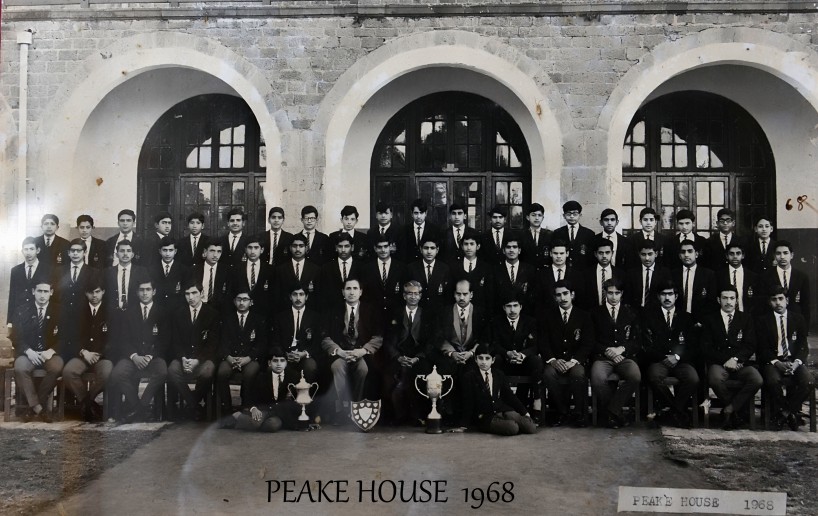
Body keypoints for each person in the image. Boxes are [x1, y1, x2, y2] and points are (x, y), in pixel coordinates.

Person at [700, 285, 762, 430]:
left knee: (756, 379)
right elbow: (706, 347)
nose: (728, 302)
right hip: (718, 364)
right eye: (725, 298)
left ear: (736, 300)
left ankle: (729, 409)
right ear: (718, 300)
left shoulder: (745, 318)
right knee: (715, 379)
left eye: (732, 298)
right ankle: (736, 411)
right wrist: (726, 360)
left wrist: (736, 359)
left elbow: (750, 345)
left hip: (740, 364)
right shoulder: (710, 319)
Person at [321, 278, 383, 419]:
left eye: (355, 288)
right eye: (348, 289)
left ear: (360, 292)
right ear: (343, 292)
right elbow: (325, 337)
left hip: (360, 353)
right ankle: (342, 407)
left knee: (363, 369)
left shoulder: (370, 310)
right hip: (341, 353)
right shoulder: (333, 310)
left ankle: (356, 406)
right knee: (337, 367)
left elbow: (378, 337)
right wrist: (339, 351)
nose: (352, 292)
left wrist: (362, 351)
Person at [108, 279, 168, 423]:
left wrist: (150, 356)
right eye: (141, 290)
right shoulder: (129, 312)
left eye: (148, 289)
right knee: (117, 373)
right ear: (136, 292)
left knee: (162, 371)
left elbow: (165, 340)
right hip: (132, 357)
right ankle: (139, 408)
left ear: (154, 291)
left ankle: (140, 407)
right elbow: (123, 339)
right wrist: (134, 356)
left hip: (153, 357)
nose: (145, 293)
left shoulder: (162, 312)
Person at [640, 281, 699, 428]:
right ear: (658, 296)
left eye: (670, 294)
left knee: (693, 378)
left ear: (676, 296)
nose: (667, 298)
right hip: (659, 360)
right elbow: (645, 345)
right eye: (663, 294)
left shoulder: (686, 317)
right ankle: (678, 412)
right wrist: (663, 358)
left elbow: (693, 345)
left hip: (681, 361)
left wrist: (677, 357)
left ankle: (672, 412)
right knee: (654, 376)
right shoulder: (649, 317)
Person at [384, 281, 439, 424]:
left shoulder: (427, 315)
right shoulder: (395, 313)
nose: (413, 297)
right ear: (404, 296)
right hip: (399, 356)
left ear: (420, 296)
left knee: (420, 375)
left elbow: (431, 342)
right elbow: (388, 340)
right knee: (391, 377)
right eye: (410, 293)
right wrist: (398, 357)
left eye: (416, 294)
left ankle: (416, 415)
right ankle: (398, 416)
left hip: (419, 357)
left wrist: (417, 358)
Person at [540, 280, 593, 427]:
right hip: (555, 360)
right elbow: (543, 342)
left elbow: (588, 343)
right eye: (559, 295)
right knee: (548, 374)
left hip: (574, 361)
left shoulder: (584, 316)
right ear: (554, 297)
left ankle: (579, 413)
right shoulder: (547, 316)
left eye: (565, 293)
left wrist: (573, 361)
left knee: (578, 374)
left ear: (572, 295)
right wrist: (553, 360)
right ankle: (561, 412)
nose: (563, 298)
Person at [589, 278, 640, 428]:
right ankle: (617, 414)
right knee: (597, 378)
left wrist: (622, 349)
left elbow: (636, 340)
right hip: (602, 358)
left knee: (635, 376)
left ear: (622, 293)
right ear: (605, 293)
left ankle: (611, 412)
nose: (613, 296)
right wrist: (606, 350)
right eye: (610, 293)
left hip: (624, 357)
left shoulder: (630, 313)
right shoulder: (595, 313)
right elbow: (590, 340)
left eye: (617, 293)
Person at [759, 286, 812, 431]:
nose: (778, 303)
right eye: (774, 299)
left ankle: (784, 413)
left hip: (793, 361)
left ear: (787, 300)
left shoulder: (798, 319)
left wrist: (796, 363)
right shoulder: (763, 321)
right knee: (773, 381)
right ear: (769, 302)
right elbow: (762, 348)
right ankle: (790, 414)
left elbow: (803, 346)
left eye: (781, 299)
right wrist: (777, 363)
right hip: (773, 361)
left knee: (808, 381)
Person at [10, 280, 63, 422]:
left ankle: (33, 406)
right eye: (39, 291)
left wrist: (51, 350)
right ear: (33, 291)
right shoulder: (22, 310)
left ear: (51, 293)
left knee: (57, 366)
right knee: (20, 367)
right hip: (28, 353)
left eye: (46, 291)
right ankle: (39, 408)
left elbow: (66, 337)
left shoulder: (59, 311)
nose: (42, 295)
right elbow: (15, 337)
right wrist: (28, 351)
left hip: (49, 354)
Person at [166, 281, 221, 420]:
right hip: (184, 358)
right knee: (172, 370)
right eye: (187, 294)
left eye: (194, 293)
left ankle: (191, 404)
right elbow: (175, 342)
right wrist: (183, 358)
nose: (190, 297)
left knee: (208, 371)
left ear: (201, 294)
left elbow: (212, 344)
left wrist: (197, 360)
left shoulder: (212, 314)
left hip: (203, 358)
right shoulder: (178, 314)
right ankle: (194, 405)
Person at [60, 278, 112, 422]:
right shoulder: (77, 311)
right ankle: (91, 405)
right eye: (90, 292)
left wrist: (99, 353)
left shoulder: (111, 311)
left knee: (107, 373)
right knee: (68, 372)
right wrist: (84, 352)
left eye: (97, 292)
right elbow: (70, 337)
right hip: (82, 355)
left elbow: (114, 339)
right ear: (85, 293)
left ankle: (86, 404)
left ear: (103, 292)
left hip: (102, 357)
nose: (94, 295)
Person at [457, 342, 537, 436]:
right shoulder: (470, 376)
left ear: (493, 360)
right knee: (513, 428)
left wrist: (524, 412)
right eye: (480, 358)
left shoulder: (499, 374)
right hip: (485, 416)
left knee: (530, 427)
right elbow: (468, 402)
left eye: (487, 358)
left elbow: (509, 396)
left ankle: (510, 422)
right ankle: (509, 424)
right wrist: (463, 425)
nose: (484, 362)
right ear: (476, 359)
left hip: (502, 410)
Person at [491, 290, 542, 419]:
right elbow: (494, 344)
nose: (512, 310)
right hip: (505, 363)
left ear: (521, 307)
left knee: (536, 361)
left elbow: (535, 346)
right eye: (509, 306)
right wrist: (507, 353)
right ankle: (496, 403)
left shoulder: (530, 322)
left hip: (524, 363)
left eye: (515, 306)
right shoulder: (496, 322)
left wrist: (522, 355)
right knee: (496, 359)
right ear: (504, 308)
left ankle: (537, 401)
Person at [224, 347, 302, 432]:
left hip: (279, 413)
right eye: (275, 361)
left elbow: (297, 398)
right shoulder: (262, 377)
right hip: (265, 409)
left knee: (273, 425)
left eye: (282, 361)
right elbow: (251, 395)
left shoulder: (293, 377)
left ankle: (245, 420)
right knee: (256, 422)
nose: (279, 364)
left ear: (286, 363)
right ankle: (241, 418)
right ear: (269, 363)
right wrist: (254, 408)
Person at [216, 289, 266, 415]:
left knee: (250, 373)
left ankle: (246, 406)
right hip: (231, 358)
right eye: (239, 299)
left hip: (250, 359)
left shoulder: (258, 319)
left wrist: (248, 358)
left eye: (245, 299)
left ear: (251, 302)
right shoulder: (227, 319)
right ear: (234, 302)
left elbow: (261, 344)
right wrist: (229, 358)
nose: (242, 302)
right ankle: (227, 409)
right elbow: (222, 342)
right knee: (222, 372)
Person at [271, 284, 320, 384]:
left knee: (310, 366)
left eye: (301, 294)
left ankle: (306, 393)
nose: (298, 298)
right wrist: (285, 354)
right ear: (290, 297)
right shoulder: (280, 317)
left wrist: (304, 353)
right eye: (295, 294)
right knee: (275, 366)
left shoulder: (315, 317)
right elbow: (275, 340)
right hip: (285, 355)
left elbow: (317, 342)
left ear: (306, 297)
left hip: (305, 355)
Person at [761, 241, 810, 326]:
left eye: (785, 253)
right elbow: (763, 304)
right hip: (773, 322)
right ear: (774, 256)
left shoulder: (802, 277)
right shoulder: (765, 276)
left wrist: (805, 327)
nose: (782, 257)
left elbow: (805, 305)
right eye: (778, 253)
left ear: (792, 255)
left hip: (795, 322)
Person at [362, 233, 407, 320]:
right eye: (379, 247)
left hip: (395, 315)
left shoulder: (401, 267)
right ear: (375, 248)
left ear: (390, 247)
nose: (383, 250)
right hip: (373, 315)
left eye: (386, 246)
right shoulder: (367, 269)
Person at [274, 234, 321, 312]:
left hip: (309, 311)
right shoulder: (280, 269)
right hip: (286, 311)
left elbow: (318, 295)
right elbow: (277, 295)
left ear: (306, 248)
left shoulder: (315, 269)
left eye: (301, 246)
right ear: (290, 248)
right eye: (294, 246)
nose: (298, 249)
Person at [673, 239, 716, 322]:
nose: (686, 255)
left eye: (690, 251)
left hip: (701, 322)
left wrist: (702, 321)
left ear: (696, 254)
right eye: (683, 252)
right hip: (678, 321)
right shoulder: (673, 274)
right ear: (679, 256)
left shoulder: (708, 275)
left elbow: (712, 301)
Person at [229, 235, 274, 315]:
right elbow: (232, 291)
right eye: (250, 248)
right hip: (242, 311)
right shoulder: (236, 269)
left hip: (264, 311)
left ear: (262, 250)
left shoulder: (270, 269)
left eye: (256, 248)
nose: (252, 251)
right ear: (245, 250)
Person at [8, 237, 49, 323]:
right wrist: (10, 321)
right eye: (26, 249)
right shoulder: (15, 270)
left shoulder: (47, 269)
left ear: (38, 250)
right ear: (22, 251)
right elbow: (12, 297)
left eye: (31, 249)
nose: (28, 252)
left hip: (38, 317)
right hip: (20, 317)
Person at [320, 233, 364, 311]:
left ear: (352, 247)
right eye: (340, 246)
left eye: (346, 246)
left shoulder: (362, 267)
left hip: (356, 310)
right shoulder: (326, 268)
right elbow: (323, 293)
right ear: (336, 248)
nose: (343, 250)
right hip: (332, 311)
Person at [450, 234, 494, 312]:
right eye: (466, 244)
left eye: (472, 244)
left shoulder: (486, 268)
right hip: (459, 311)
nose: (469, 247)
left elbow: (489, 295)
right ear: (462, 246)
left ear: (478, 246)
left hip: (480, 311)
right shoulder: (454, 267)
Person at [624, 240, 671, 312]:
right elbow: (628, 297)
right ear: (639, 254)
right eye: (643, 254)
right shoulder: (631, 273)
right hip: (636, 312)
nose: (647, 258)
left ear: (656, 254)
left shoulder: (664, 272)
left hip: (657, 313)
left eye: (650, 254)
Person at [407, 236, 452, 311]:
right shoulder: (411, 268)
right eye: (426, 248)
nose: (429, 251)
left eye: (432, 248)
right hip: (417, 311)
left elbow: (447, 295)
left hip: (438, 312)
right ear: (421, 249)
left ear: (437, 250)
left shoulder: (445, 269)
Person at [578, 237, 623, 310]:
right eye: (601, 253)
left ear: (612, 253)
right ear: (595, 254)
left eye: (607, 252)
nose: (604, 256)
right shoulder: (585, 274)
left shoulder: (620, 274)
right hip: (591, 313)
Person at [104, 240, 149, 312]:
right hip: (113, 313)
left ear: (132, 254)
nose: (125, 254)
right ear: (117, 254)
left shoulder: (141, 271)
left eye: (128, 251)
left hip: (135, 313)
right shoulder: (108, 272)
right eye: (122, 251)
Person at [493, 237, 536, 314]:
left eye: (514, 247)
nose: (511, 250)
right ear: (503, 251)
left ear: (519, 250)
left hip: (525, 314)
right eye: (508, 247)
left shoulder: (529, 270)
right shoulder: (495, 270)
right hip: (501, 314)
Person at [715, 243, 758, 316]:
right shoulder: (718, 275)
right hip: (725, 316)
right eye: (731, 254)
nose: (735, 256)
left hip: (747, 316)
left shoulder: (752, 276)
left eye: (738, 253)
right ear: (727, 256)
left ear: (743, 256)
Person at [54, 238, 96, 312]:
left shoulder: (93, 272)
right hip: (62, 313)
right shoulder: (58, 271)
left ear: (85, 252)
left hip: (84, 314)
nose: (75, 253)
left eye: (79, 251)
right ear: (68, 253)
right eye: (72, 250)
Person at [551, 200, 595, 270]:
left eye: (575, 214)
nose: (572, 216)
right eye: (568, 214)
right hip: (564, 270)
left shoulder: (589, 234)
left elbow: (591, 257)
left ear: (580, 215)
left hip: (582, 271)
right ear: (564, 216)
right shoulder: (557, 233)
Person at [149, 237, 191, 310]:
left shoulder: (184, 270)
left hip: (176, 309)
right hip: (157, 309)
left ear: (175, 251)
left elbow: (185, 292)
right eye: (165, 250)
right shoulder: (151, 269)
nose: (167, 254)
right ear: (160, 251)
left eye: (171, 250)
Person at [536, 240, 577, 312]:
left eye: (561, 253)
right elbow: (538, 300)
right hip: (547, 315)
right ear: (550, 253)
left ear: (567, 254)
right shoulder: (541, 274)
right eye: (555, 253)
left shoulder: (576, 274)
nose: (558, 256)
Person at [192, 240, 229, 312]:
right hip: (199, 308)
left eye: (219, 251)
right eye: (212, 251)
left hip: (219, 310)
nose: (215, 255)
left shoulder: (227, 271)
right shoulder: (194, 270)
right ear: (205, 252)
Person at [401, 198, 441, 262]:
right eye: (416, 213)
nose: (419, 216)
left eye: (421, 213)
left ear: (426, 213)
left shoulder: (435, 230)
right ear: (411, 214)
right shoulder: (404, 230)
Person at [520, 202, 553, 271]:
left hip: (545, 272)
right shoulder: (521, 235)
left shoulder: (549, 234)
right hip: (526, 272)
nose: (537, 218)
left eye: (539, 215)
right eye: (533, 215)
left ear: (543, 218)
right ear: (528, 217)